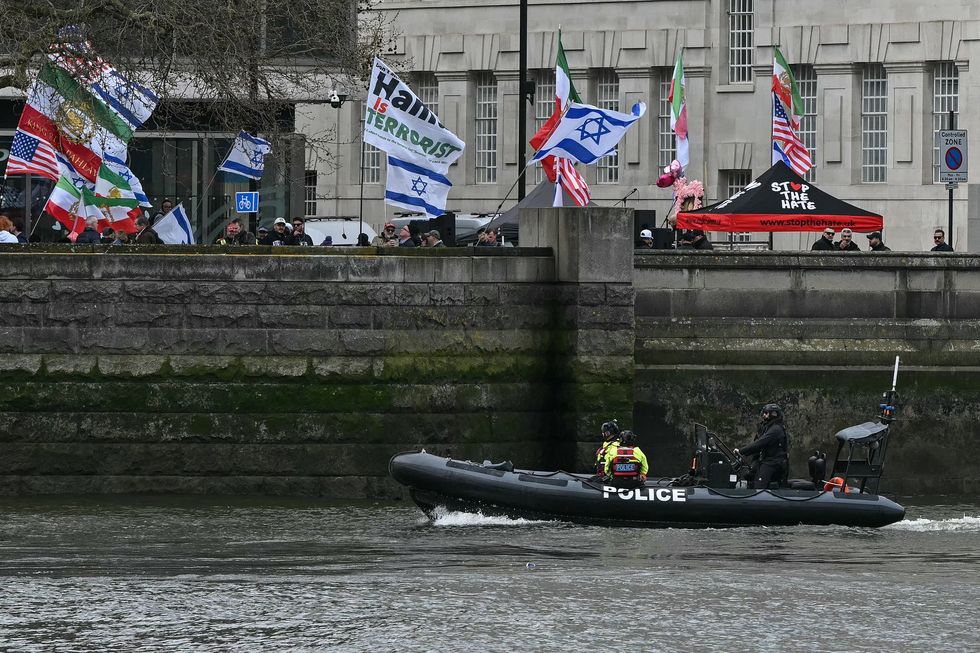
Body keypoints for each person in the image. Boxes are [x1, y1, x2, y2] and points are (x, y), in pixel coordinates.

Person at [734, 403, 789, 489]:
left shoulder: (776, 429)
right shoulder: (767, 427)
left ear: (773, 414)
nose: (763, 415)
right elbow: (757, 442)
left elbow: (760, 443)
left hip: (773, 463)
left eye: (766, 413)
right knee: (750, 474)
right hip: (766, 460)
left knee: (759, 486)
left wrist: (741, 451)